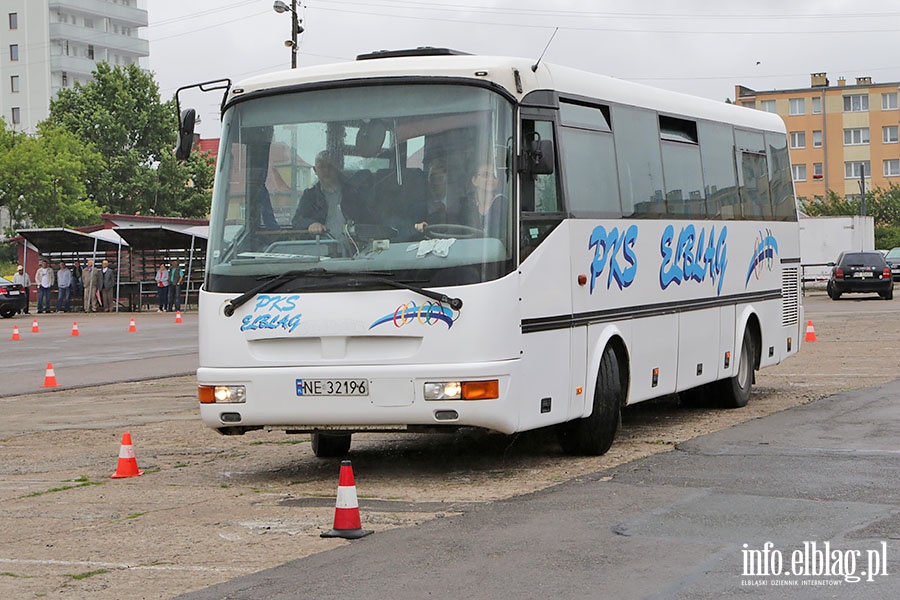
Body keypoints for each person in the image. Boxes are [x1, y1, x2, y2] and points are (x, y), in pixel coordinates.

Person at [291, 150, 370, 237]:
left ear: (338, 168)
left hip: (354, 246)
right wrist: (311, 224)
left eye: (330, 166)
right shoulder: (310, 195)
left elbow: (367, 220)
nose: (326, 170)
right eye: (322, 167)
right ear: (315, 170)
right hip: (321, 245)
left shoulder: (353, 193)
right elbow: (297, 221)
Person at [457, 161, 508, 239]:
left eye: (494, 176)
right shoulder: (465, 205)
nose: (490, 179)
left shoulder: (504, 204)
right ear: (474, 180)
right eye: (485, 175)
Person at [414, 159, 452, 234]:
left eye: (440, 178)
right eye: (433, 177)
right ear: (428, 180)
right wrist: (416, 228)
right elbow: (406, 231)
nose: (436, 182)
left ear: (447, 180)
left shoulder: (461, 207)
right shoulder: (416, 209)